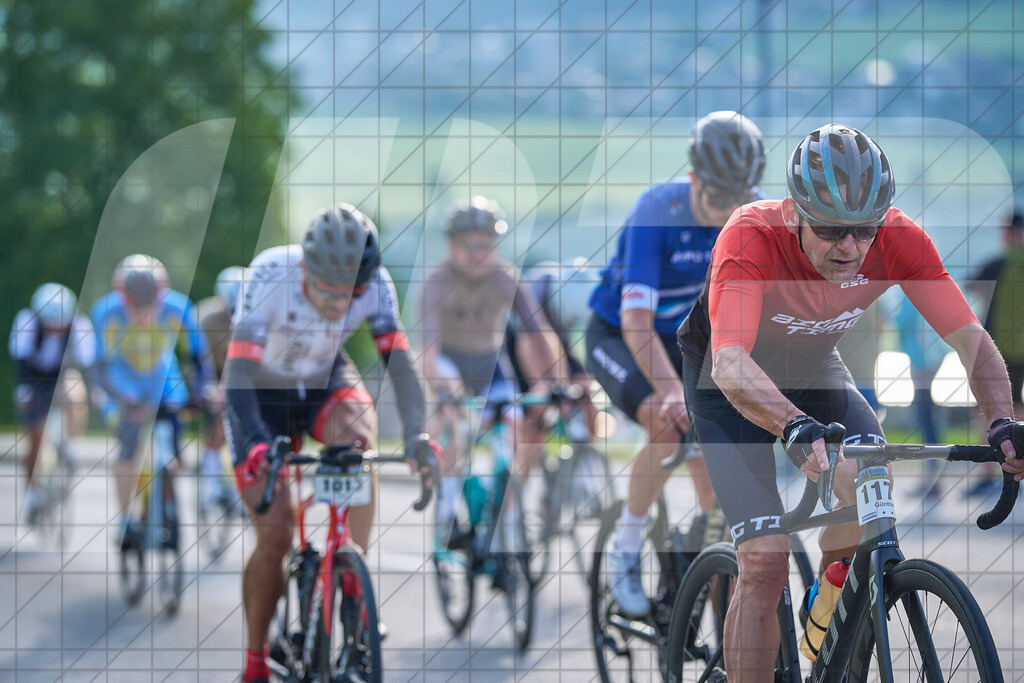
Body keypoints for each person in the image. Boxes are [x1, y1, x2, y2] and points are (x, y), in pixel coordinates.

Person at [676, 123, 1024, 681]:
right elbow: (730, 363)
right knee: (764, 562)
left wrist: (1003, 420)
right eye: (833, 229)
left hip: (813, 368)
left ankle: (824, 624)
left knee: (870, 486)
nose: (851, 247)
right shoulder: (751, 236)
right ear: (793, 213)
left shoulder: (900, 239)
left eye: (864, 231)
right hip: (728, 382)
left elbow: (971, 343)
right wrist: (792, 426)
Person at [223, 203, 435, 683]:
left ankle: (350, 574)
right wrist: (257, 442)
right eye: (326, 290)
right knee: (275, 533)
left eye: (351, 293)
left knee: (361, 439)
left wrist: (418, 432)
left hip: (323, 381)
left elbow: (399, 363)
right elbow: (236, 373)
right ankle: (256, 662)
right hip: (261, 393)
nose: (340, 303)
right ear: (305, 267)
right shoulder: (270, 274)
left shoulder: (377, 283)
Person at [585, 110, 766, 616]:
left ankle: (704, 578)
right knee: (668, 426)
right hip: (621, 336)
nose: (727, 209)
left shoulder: (748, 214)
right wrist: (669, 392)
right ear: (692, 178)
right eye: (716, 197)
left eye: (739, 197)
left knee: (718, 487)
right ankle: (625, 546)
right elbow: (636, 324)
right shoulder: (656, 212)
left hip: (688, 343)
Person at [420, 196, 564, 557]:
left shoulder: (505, 277)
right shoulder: (435, 282)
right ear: (452, 246)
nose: (481, 254)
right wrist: (446, 393)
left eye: (488, 245)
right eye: (472, 246)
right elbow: (428, 354)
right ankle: (448, 514)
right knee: (452, 425)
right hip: (450, 363)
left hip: (488, 363)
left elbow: (537, 333)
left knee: (518, 425)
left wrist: (552, 384)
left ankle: (504, 525)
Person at [91, 254, 214, 547]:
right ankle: (125, 521)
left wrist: (201, 393)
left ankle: (167, 509)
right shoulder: (105, 312)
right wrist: (121, 399)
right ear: (123, 298)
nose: (143, 313)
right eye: (136, 306)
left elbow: (197, 357)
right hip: (124, 382)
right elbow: (98, 368)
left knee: (172, 456)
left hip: (163, 381)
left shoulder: (178, 307)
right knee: (128, 450)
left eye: (150, 305)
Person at [9, 283, 95, 524]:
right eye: (49, 324)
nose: (55, 329)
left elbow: (87, 363)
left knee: (75, 392)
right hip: (35, 379)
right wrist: (24, 390)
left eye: (60, 323)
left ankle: (69, 443)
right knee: (35, 437)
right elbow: (20, 361)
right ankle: (33, 494)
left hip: (62, 376)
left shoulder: (79, 325)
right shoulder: (26, 322)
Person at [505, 260, 600, 477]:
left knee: (585, 390)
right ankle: (522, 478)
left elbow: (566, 345)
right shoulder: (537, 289)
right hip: (521, 339)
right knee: (539, 407)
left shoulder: (581, 297)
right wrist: (544, 384)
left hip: (558, 338)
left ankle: (586, 455)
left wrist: (575, 382)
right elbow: (529, 342)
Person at [964, 211, 1024, 497]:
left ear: (1008, 234)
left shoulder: (997, 265)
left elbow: (970, 286)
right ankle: (1017, 466)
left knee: (987, 411)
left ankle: (989, 473)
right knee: (1018, 407)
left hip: (996, 350)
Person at [195, 265, 246, 508]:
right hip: (211, 375)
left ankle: (243, 490)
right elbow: (196, 361)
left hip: (242, 375)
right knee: (216, 426)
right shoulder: (204, 318)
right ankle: (210, 488)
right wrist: (209, 391)